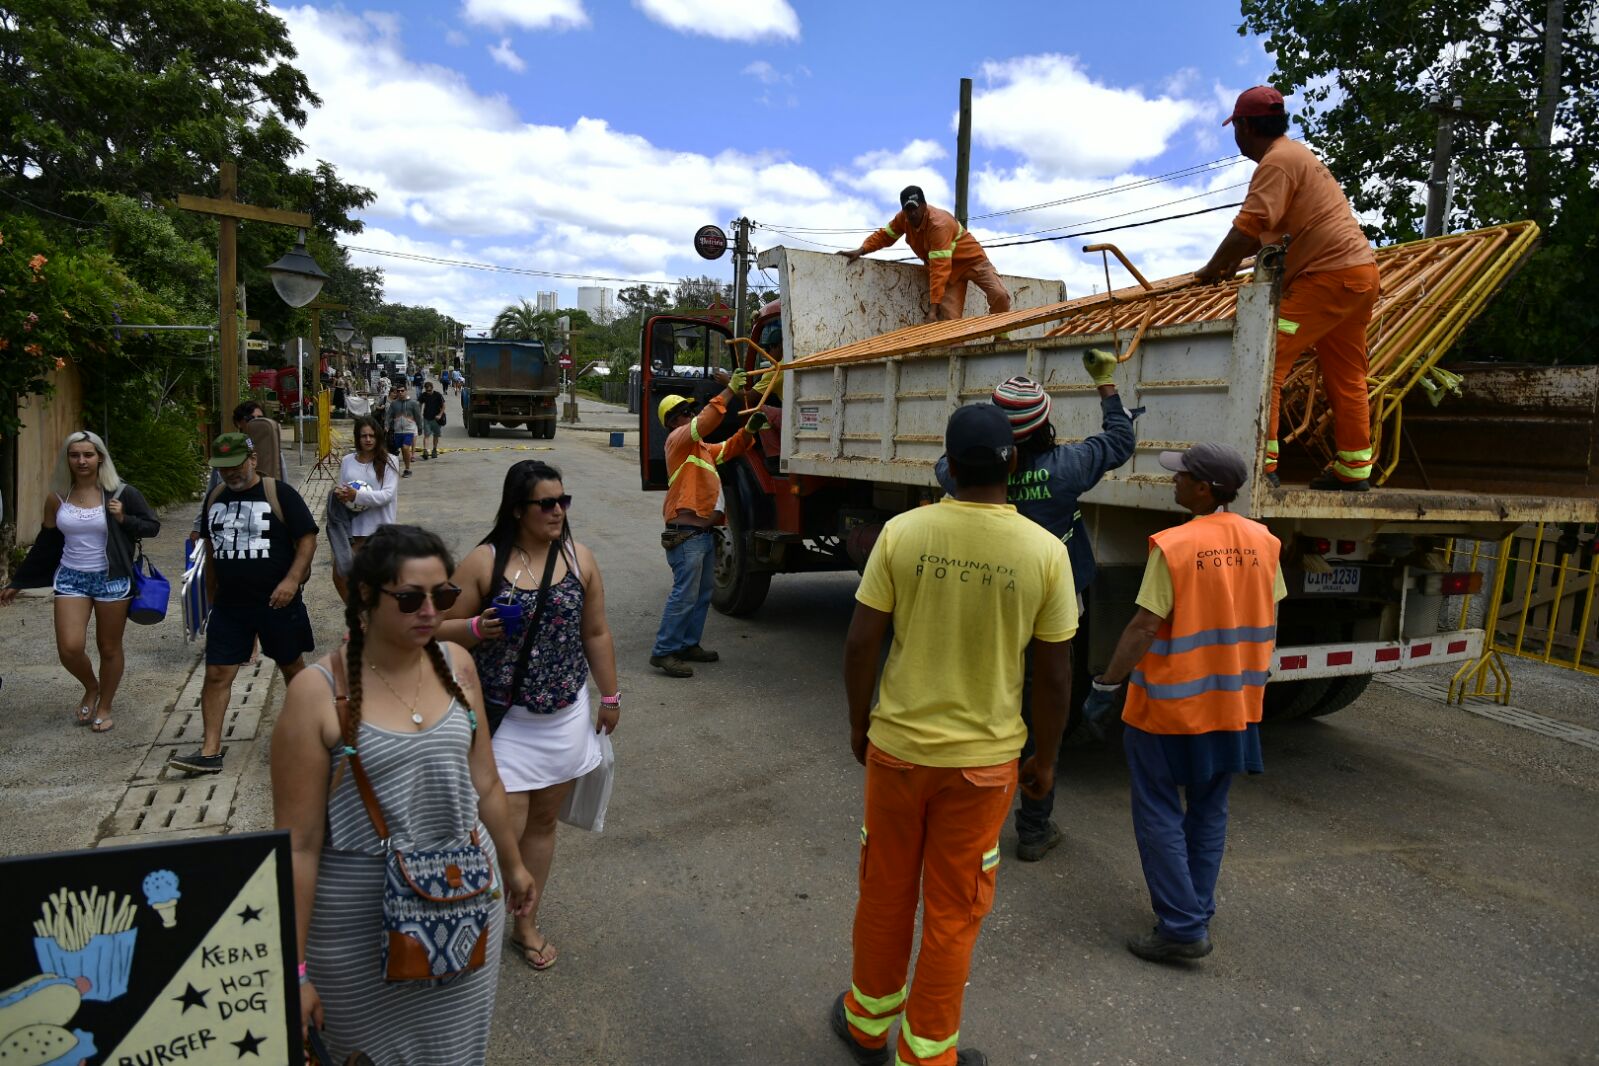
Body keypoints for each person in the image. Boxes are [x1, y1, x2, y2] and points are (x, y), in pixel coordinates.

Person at [834, 404, 1077, 1066]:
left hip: (898, 752)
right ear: (1015, 465)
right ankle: (927, 1053)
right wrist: (1045, 760)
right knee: (953, 911)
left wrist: (861, 724)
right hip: (983, 767)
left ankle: (865, 1024)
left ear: (947, 464)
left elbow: (861, 643)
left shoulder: (901, 534)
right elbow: (1055, 677)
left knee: (884, 890)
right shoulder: (1045, 552)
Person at [271, 524, 537, 1065]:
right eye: (411, 598)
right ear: (366, 596)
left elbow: (484, 782)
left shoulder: (457, 665)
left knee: (454, 1055)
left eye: (442, 597)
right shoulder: (316, 695)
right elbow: (297, 846)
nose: (430, 612)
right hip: (355, 929)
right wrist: (294, 970)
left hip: (462, 905)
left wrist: (513, 866)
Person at [1082, 442, 1285, 962]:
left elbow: (1145, 625)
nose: (1171, 482)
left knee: (1159, 811)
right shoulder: (1264, 541)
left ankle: (1180, 926)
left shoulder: (1174, 546)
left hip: (1169, 710)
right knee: (1209, 810)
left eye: (1180, 477)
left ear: (1202, 488)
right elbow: (1267, 612)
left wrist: (1107, 683)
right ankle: (1196, 908)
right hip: (1235, 706)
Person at [931, 352, 1136, 862]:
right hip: (1054, 613)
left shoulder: (959, 477)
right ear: (1046, 425)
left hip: (990, 609)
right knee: (1042, 713)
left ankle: (967, 816)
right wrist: (1106, 383)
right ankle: (1035, 828)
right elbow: (1120, 442)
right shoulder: (1068, 467)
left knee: (984, 708)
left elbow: (947, 461)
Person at [438, 460, 621, 972]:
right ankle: (474, 920)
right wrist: (475, 627)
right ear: (519, 509)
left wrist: (609, 696)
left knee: (542, 825)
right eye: (547, 503)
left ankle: (524, 924)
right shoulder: (484, 562)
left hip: (563, 716)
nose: (558, 511)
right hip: (506, 719)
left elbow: (597, 633)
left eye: (564, 501)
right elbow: (431, 625)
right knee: (502, 828)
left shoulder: (580, 559)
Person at [1195, 85, 1380, 491]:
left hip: (1328, 279)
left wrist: (1213, 268)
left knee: (1265, 361)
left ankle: (1263, 465)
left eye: (1235, 127)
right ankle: (1354, 469)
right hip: (1357, 277)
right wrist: (1232, 262)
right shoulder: (1298, 156)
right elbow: (1275, 236)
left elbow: (1250, 225)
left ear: (1244, 126)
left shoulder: (1277, 162)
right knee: (1347, 375)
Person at [170, 432, 318, 775]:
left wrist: (292, 581)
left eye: (235, 466)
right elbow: (209, 549)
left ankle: (315, 731)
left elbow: (307, 538)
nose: (230, 474)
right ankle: (210, 752)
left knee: (291, 666)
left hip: (277, 602)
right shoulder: (215, 498)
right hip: (229, 605)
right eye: (223, 469)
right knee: (217, 673)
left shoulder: (279, 493)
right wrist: (209, 599)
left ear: (252, 460)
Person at [3, 431, 161, 733]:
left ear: (100, 456)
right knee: (69, 648)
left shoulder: (121, 493)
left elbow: (152, 527)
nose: (82, 460)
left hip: (111, 579)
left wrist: (124, 519)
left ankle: (105, 705)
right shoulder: (58, 496)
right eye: (75, 455)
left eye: (88, 454)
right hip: (71, 578)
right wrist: (20, 580)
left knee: (109, 648)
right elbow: (47, 543)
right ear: (67, 459)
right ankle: (91, 686)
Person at [649, 368, 767, 678]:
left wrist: (749, 431)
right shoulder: (678, 440)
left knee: (701, 594)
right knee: (684, 594)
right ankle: (664, 651)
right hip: (686, 534)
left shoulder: (700, 450)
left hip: (700, 533)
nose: (689, 414)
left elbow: (729, 448)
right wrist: (729, 391)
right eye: (684, 411)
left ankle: (688, 644)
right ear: (673, 421)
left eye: (690, 409)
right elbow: (707, 421)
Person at [838, 186, 1012, 322]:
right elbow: (885, 235)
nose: (912, 214)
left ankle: (1001, 336)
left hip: (973, 262)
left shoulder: (938, 225)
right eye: (908, 210)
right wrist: (862, 249)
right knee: (950, 326)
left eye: (915, 208)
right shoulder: (903, 219)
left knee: (1000, 295)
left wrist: (933, 310)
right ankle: (957, 360)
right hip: (950, 274)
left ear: (924, 205)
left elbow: (939, 268)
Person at [331, 416, 400, 603]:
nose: (368, 439)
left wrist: (357, 496)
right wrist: (341, 493)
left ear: (378, 437)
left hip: (379, 532)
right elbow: (342, 488)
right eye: (363, 436)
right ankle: (359, 616)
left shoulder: (390, 461)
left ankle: (372, 622)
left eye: (371, 435)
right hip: (353, 532)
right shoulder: (347, 461)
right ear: (357, 438)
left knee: (374, 583)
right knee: (340, 575)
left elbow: (387, 495)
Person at [387, 385, 422, 478]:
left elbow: (418, 416)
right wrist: (386, 426)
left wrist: (420, 427)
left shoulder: (413, 403)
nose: (400, 392)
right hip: (398, 431)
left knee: (405, 448)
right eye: (398, 391)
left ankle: (407, 469)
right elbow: (389, 416)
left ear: (406, 391)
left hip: (409, 430)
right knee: (402, 450)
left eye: (402, 391)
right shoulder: (394, 404)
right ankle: (406, 468)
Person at [419, 380, 445, 461]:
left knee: (436, 435)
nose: (428, 392)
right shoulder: (423, 395)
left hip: (436, 419)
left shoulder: (438, 395)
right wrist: (419, 414)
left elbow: (443, 406)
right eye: (427, 390)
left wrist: (440, 415)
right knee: (426, 435)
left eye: (430, 390)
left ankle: (434, 450)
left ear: (432, 388)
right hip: (426, 418)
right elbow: (419, 404)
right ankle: (425, 451)